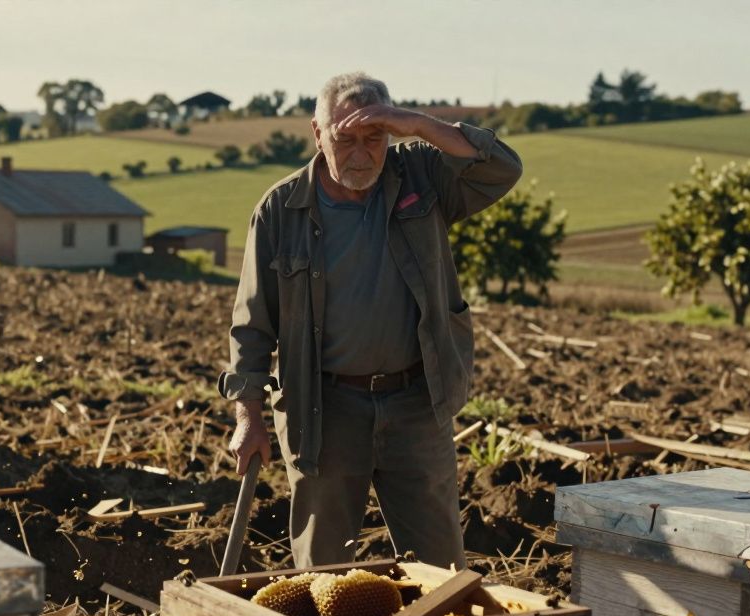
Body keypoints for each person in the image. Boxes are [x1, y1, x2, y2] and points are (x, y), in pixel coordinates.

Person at [218, 71, 523, 569]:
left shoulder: (422, 175)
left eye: (374, 137)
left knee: (441, 566)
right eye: (346, 139)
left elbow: (501, 168)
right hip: (324, 408)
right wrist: (248, 417)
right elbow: (252, 325)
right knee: (323, 567)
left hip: (416, 403)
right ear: (317, 135)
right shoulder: (281, 210)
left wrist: (415, 123)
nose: (361, 154)